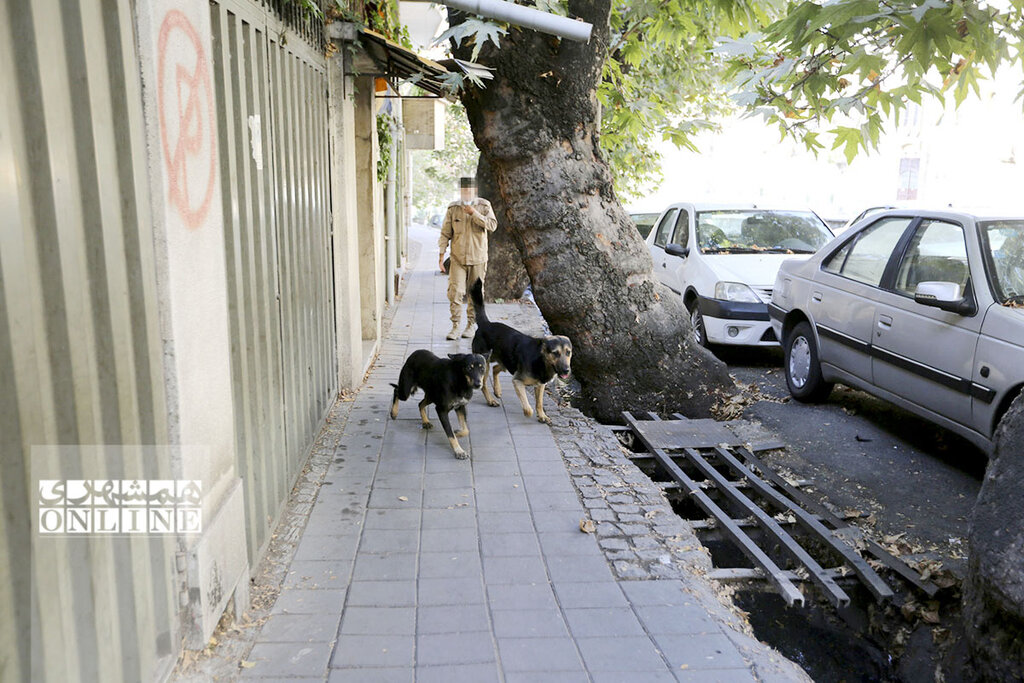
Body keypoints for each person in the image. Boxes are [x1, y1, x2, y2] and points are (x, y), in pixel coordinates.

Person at [438, 177, 497, 340]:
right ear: (460, 191)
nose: (466, 193)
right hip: (457, 258)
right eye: (463, 191)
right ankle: (455, 326)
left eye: (469, 191)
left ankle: (471, 324)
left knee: (475, 293)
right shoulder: (454, 208)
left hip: (478, 258)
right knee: (455, 292)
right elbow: (445, 233)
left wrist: (474, 213)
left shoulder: (484, 206)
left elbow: (492, 225)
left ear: (475, 191)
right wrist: (441, 255)